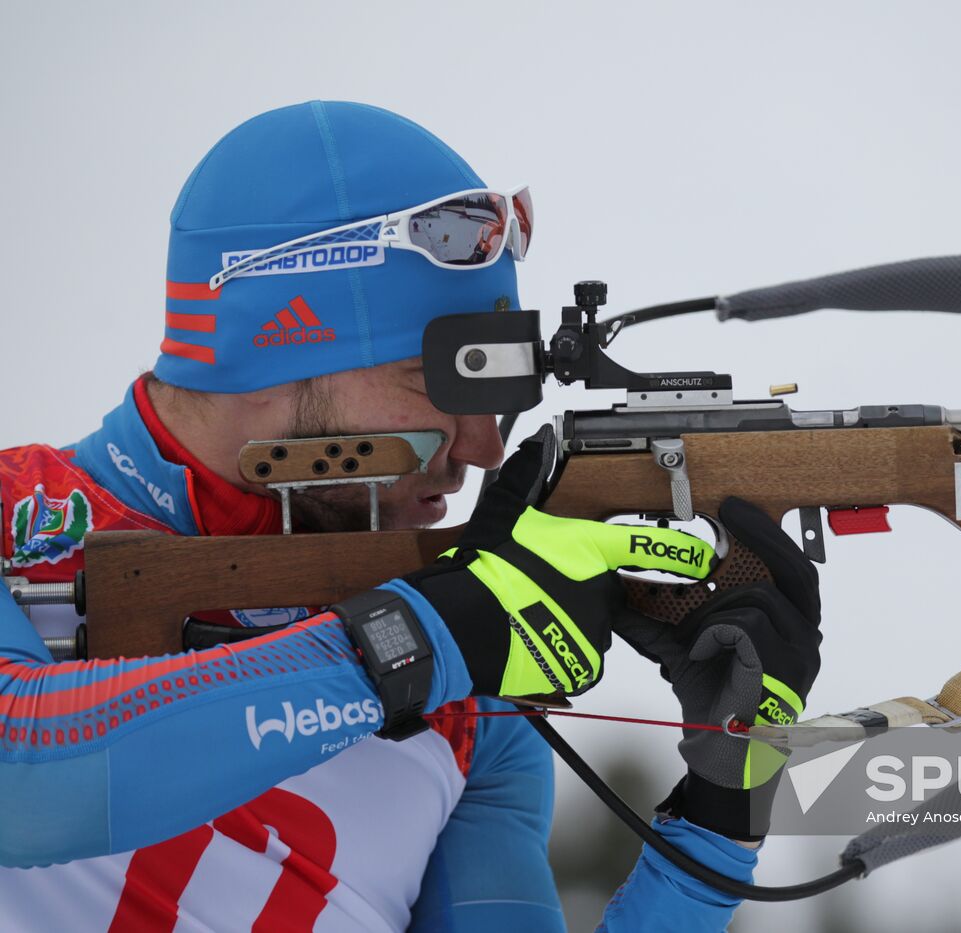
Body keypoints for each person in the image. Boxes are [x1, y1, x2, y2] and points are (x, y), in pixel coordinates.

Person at [0, 101, 822, 931]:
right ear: (279, 346)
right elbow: (22, 781)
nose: (482, 449)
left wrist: (721, 817)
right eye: (442, 375)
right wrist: (423, 641)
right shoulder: (10, 519)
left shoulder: (481, 711)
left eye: (497, 389)